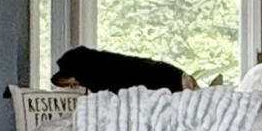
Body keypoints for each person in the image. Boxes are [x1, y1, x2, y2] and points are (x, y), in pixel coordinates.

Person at [51, 44, 188, 92]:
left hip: (169, 79)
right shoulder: (108, 64)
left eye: (71, 83)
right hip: (171, 75)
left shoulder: (102, 76)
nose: (74, 86)